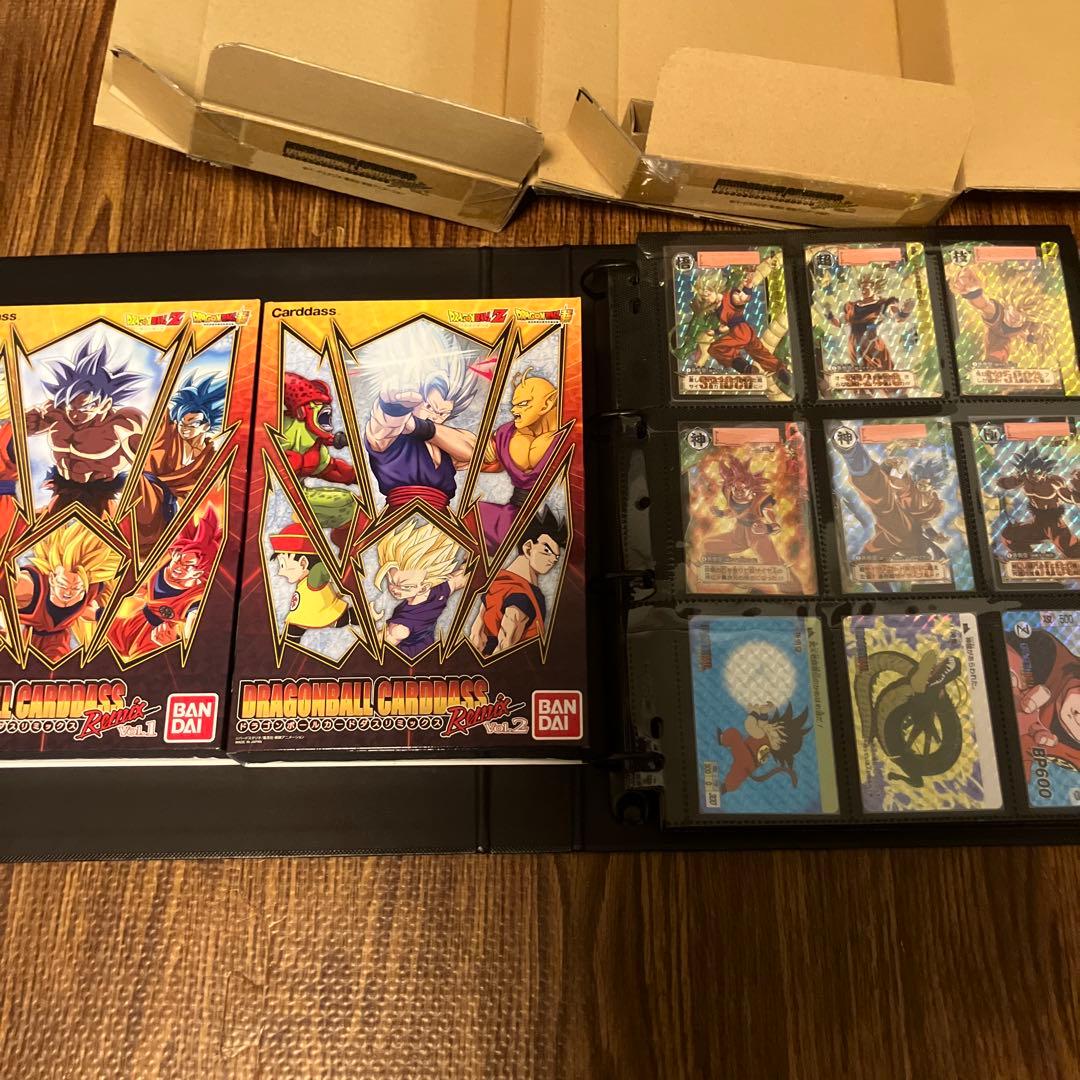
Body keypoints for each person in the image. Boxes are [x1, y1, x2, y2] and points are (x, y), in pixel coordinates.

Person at [26, 340, 147, 517]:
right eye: (71, 406)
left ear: (105, 404)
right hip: (63, 488)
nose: (75, 415)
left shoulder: (124, 424)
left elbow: (151, 463)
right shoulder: (56, 413)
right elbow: (16, 431)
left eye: (85, 408)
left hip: (101, 495)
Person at [108, 504, 221, 660]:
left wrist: (173, 644)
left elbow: (194, 643)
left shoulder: (197, 601)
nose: (178, 567)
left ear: (200, 571)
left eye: (188, 565)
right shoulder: (164, 562)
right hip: (131, 626)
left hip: (156, 641)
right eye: (178, 558)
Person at [136, 372, 227, 555]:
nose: (185, 428)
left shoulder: (210, 458)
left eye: (192, 424)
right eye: (181, 422)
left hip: (174, 517)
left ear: (206, 426)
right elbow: (160, 414)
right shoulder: (167, 435)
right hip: (143, 500)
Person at [477, 367, 560, 554]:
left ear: (547, 403)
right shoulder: (504, 434)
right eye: (514, 405)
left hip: (551, 521)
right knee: (474, 516)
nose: (514, 410)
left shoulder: (568, 435)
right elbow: (478, 460)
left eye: (523, 404)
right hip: (512, 518)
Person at [14, 519, 122, 662]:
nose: (68, 593)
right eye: (63, 585)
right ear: (52, 578)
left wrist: (100, 615)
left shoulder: (91, 591)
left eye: (75, 588)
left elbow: (95, 613)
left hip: (58, 647)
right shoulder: (30, 587)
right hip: (26, 643)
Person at [471, 508, 566, 656]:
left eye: (556, 557)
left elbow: (487, 640)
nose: (553, 559)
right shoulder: (521, 596)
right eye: (547, 551)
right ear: (528, 548)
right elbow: (485, 639)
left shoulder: (499, 582)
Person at [372, 519, 469, 659]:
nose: (394, 589)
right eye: (391, 581)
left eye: (405, 586)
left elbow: (376, 651)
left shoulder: (401, 626)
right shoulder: (439, 590)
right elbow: (461, 576)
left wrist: (369, 621)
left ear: (423, 587)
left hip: (407, 662)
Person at [269, 522, 359, 645]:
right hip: (306, 614)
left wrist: (341, 568)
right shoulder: (303, 581)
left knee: (342, 619)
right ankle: (289, 640)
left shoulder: (314, 577)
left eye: (283, 565)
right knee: (296, 625)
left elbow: (324, 568)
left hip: (324, 613)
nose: (280, 572)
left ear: (303, 563)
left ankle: (360, 616)